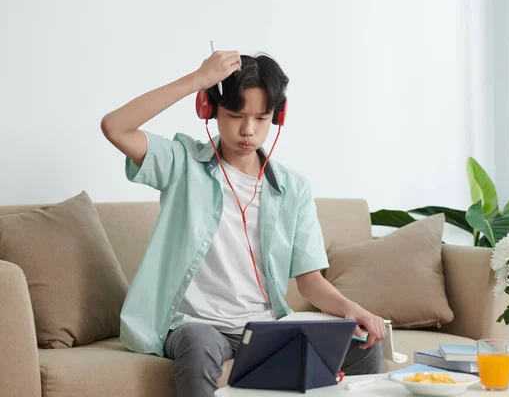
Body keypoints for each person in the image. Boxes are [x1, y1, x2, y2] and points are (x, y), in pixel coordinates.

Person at [100, 49, 385, 397]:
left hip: (266, 329)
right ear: (209, 110)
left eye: (261, 118)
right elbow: (115, 126)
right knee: (200, 342)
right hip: (197, 327)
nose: (248, 131)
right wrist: (198, 80)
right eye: (235, 115)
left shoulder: (293, 188)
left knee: (364, 346)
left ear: (276, 118)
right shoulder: (182, 164)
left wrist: (354, 311)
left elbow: (310, 282)